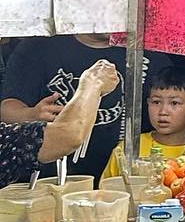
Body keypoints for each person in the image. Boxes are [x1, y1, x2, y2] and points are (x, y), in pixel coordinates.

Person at [1, 31, 128, 180]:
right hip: (46, 179)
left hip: (120, 177)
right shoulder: (38, 47)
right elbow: (67, 136)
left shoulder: (144, 47)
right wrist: (31, 115)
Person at [101, 59, 185, 176]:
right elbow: (107, 186)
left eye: (174, 103)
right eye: (156, 102)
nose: (163, 111)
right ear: (148, 103)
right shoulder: (128, 148)